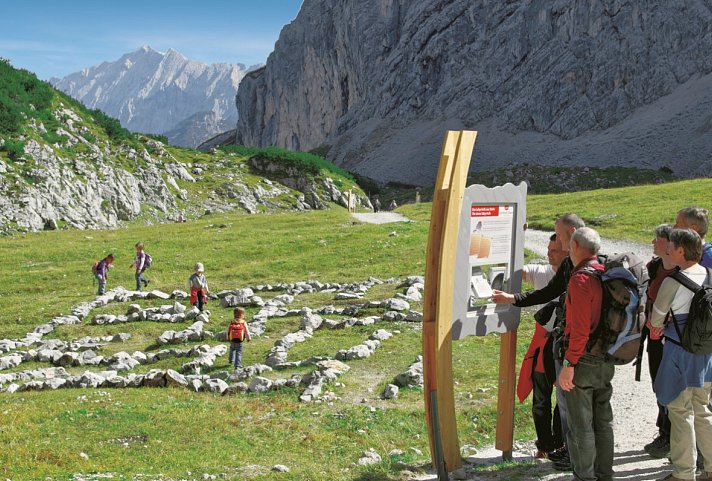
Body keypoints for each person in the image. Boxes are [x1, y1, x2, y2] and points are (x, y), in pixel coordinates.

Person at [492, 213, 585, 470]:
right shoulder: (569, 266)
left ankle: (577, 455)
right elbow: (548, 292)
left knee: (572, 401)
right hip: (561, 341)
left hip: (577, 343)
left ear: (573, 233)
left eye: (558, 237)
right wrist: (513, 298)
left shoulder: (583, 265)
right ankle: (559, 448)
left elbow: (552, 294)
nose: (550, 252)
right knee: (561, 399)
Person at [648, 228, 712, 481]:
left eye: (672, 246)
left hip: (678, 352)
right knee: (703, 409)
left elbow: (656, 321)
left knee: (680, 411)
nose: (668, 249)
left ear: (681, 251)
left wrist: (657, 329)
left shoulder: (672, 282)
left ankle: (684, 473)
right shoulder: (709, 275)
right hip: (706, 353)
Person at [558, 227, 615, 481]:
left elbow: (579, 329)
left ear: (578, 246)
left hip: (584, 360)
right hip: (607, 357)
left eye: (570, 245)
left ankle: (584, 477)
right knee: (603, 421)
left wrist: (569, 363)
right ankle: (604, 474)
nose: (568, 249)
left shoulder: (580, 279)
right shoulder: (605, 273)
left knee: (581, 425)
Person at [517, 234, 567, 458]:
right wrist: (517, 235)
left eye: (554, 250)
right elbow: (512, 267)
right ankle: (545, 445)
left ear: (567, 252)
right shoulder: (541, 271)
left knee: (564, 398)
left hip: (565, 341)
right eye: (548, 249)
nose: (548, 254)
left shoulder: (575, 275)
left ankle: (561, 442)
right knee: (541, 396)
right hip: (543, 341)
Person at [642, 224, 678, 459]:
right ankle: (663, 431)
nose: (653, 243)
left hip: (673, 339)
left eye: (657, 239)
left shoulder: (681, 272)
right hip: (654, 338)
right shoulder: (654, 267)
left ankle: (670, 435)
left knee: (672, 387)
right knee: (658, 384)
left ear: (668, 244)